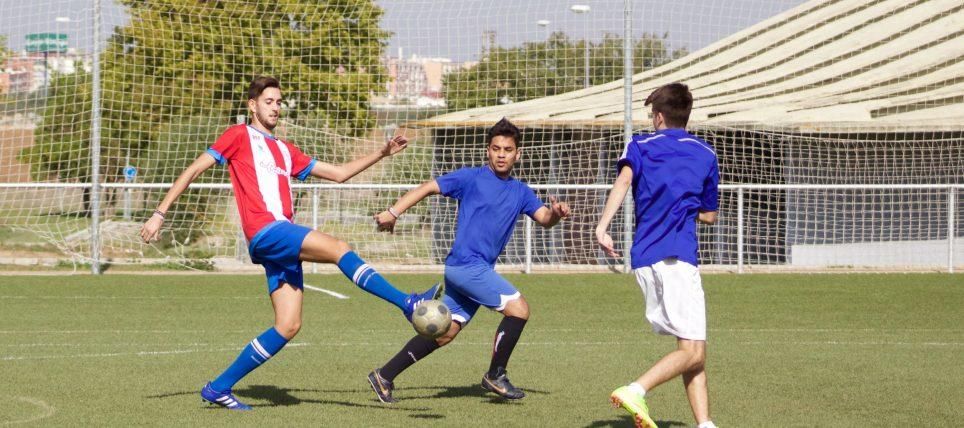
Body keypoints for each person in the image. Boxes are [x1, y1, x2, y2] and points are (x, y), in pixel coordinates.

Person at [139, 76, 441, 411]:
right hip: (267, 231)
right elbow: (194, 169)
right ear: (252, 105)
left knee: (288, 326)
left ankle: (218, 387)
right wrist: (159, 214)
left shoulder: (285, 150)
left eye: (279, 102)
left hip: (279, 236)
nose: (275, 107)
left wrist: (382, 152)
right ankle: (408, 303)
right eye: (268, 101)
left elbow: (339, 174)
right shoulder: (238, 135)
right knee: (339, 248)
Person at [366, 118, 570, 403]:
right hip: (466, 266)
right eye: (496, 148)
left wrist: (556, 213)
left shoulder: (521, 191)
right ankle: (496, 374)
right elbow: (427, 187)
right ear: (488, 151)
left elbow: (545, 219)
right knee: (519, 309)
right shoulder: (471, 178)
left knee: (445, 332)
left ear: (518, 154)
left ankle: (384, 375)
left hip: (475, 270)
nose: (501, 154)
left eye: (507, 149)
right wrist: (393, 212)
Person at [595, 83, 720, 428]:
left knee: (692, 349)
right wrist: (685, 207)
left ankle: (705, 424)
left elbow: (623, 182)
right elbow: (710, 215)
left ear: (660, 116)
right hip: (677, 258)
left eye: (652, 115)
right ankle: (636, 389)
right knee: (693, 350)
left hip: (645, 258)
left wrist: (602, 227)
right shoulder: (705, 154)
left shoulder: (639, 145)